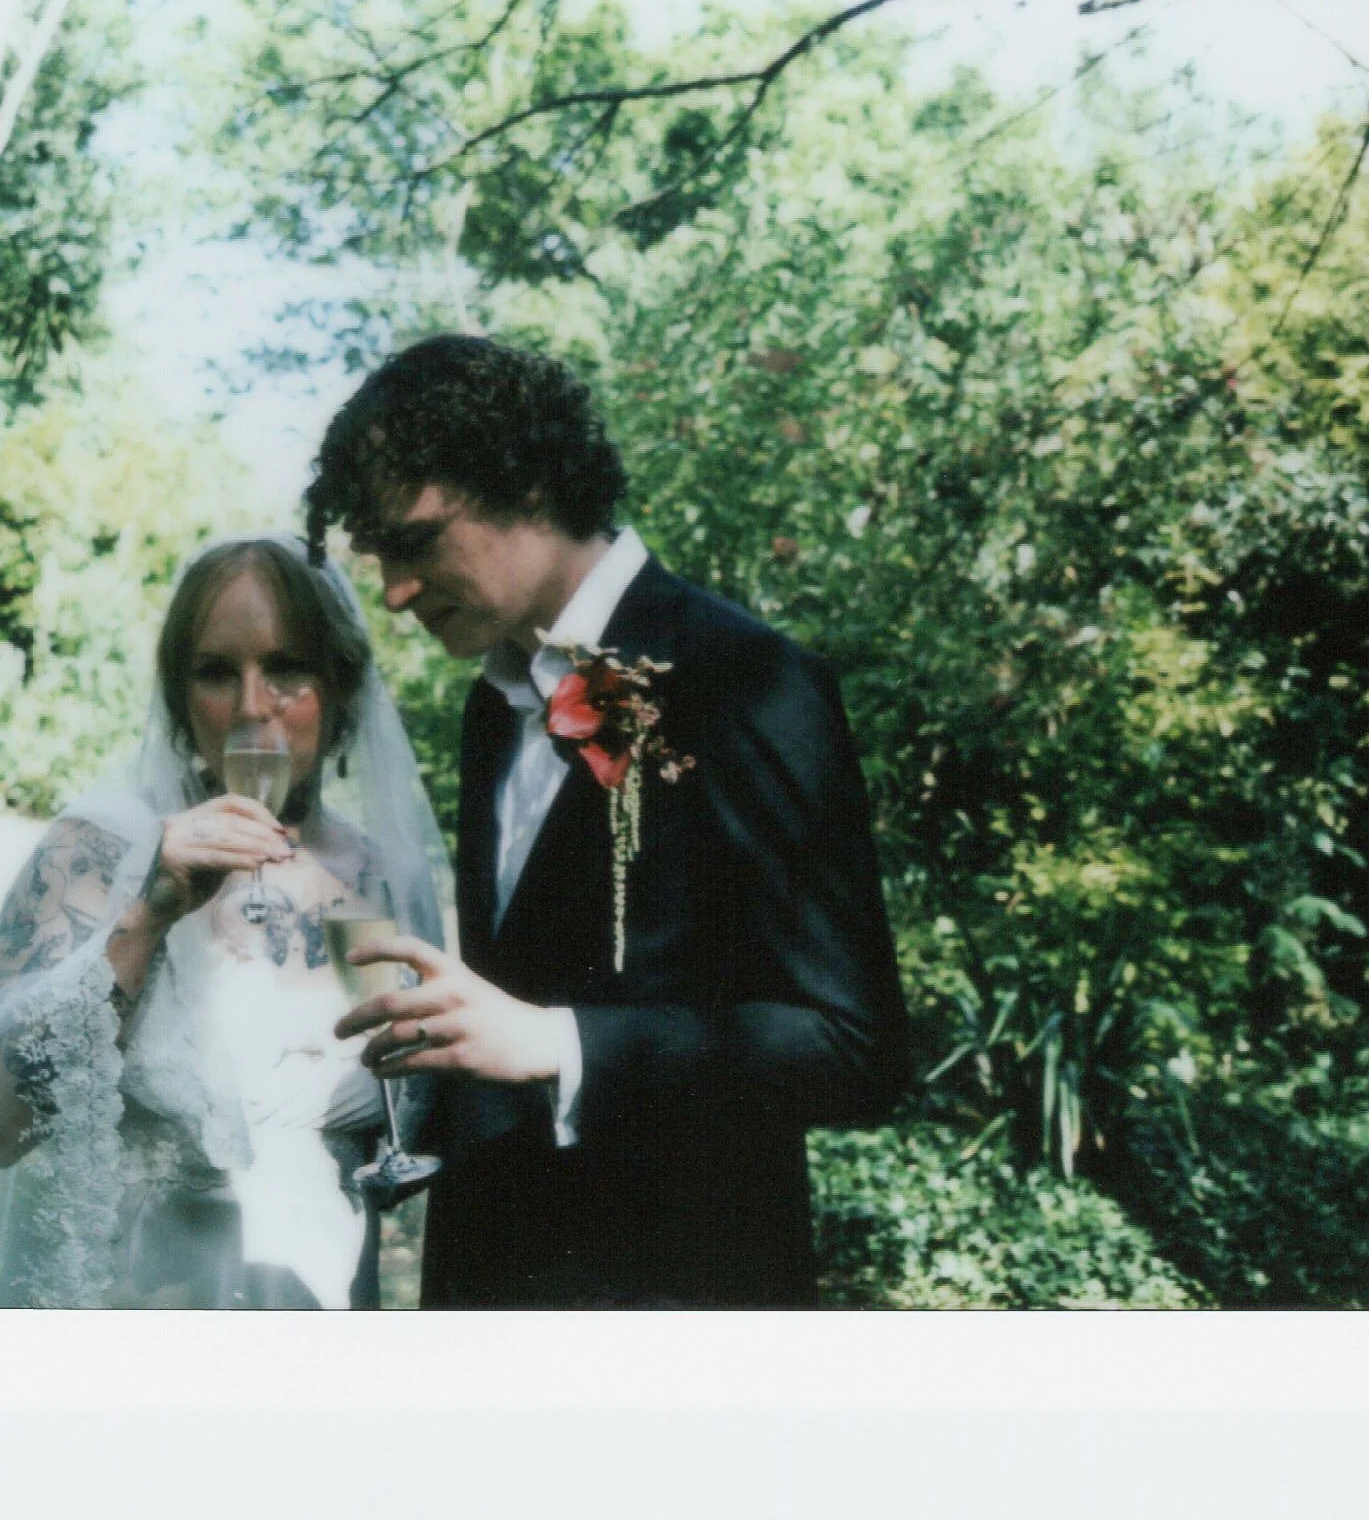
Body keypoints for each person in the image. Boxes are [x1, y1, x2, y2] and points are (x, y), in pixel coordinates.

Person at [305, 333, 914, 1307]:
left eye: (414, 541)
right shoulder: (491, 708)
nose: (394, 592)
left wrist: (561, 1045)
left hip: (679, 1305)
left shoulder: (746, 682)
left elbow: (857, 1050)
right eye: (379, 557)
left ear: (528, 481)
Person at [0, 535, 451, 1309]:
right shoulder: (98, 851)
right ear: (178, 696)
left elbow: (408, 1115)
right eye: (215, 672)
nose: (251, 706)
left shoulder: (380, 877)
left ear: (339, 685)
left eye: (286, 667)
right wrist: (148, 914)